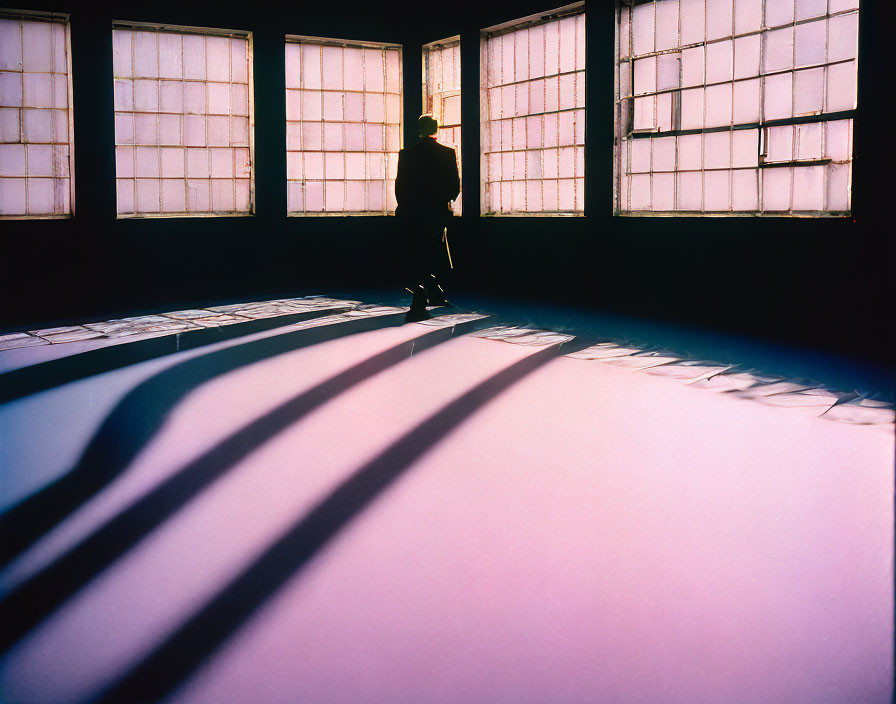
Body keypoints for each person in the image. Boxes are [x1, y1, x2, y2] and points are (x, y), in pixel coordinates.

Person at [395, 114, 460, 321]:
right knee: (434, 250)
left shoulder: (406, 155)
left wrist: (406, 206)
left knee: (415, 252)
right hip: (436, 211)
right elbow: (454, 186)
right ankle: (432, 289)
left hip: (413, 212)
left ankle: (424, 291)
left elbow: (400, 186)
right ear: (436, 129)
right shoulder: (447, 153)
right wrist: (443, 201)